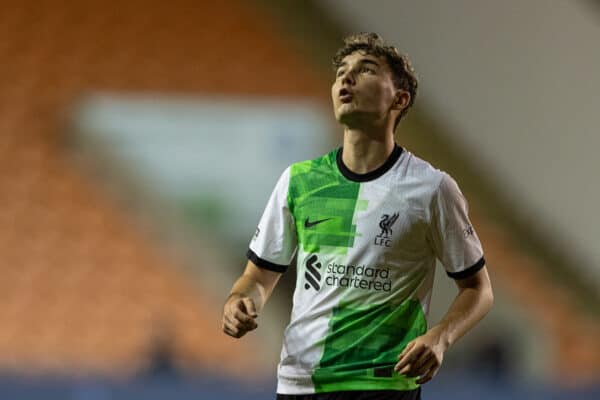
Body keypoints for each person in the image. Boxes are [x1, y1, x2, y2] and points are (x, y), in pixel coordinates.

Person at [222, 32, 493, 400]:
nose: (346, 79)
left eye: (365, 70)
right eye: (341, 73)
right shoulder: (299, 181)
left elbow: (478, 288)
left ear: (399, 99)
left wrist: (440, 337)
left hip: (382, 384)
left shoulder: (431, 188)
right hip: (302, 382)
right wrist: (240, 301)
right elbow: (257, 277)